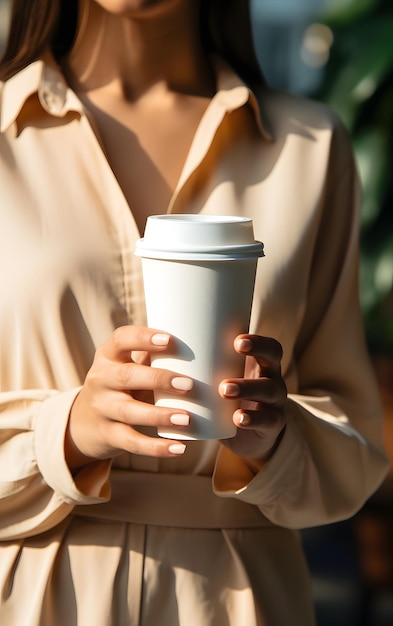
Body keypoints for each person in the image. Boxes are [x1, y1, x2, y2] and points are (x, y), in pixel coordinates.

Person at [0, 1, 389, 625]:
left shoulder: (309, 149)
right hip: (31, 593)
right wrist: (65, 431)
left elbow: (356, 447)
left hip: (239, 600)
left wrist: (276, 438)